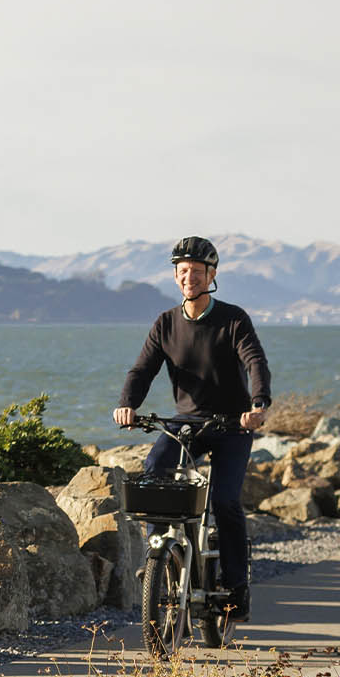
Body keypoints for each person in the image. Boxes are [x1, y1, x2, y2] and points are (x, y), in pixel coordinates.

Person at [113, 235, 272, 622]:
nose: (189, 278)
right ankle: (160, 551)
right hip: (189, 422)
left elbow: (254, 361)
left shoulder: (233, 319)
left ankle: (236, 587)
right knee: (155, 471)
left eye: (196, 272)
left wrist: (258, 404)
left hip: (233, 424)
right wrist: (127, 404)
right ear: (176, 276)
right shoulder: (166, 323)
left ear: (211, 275)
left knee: (225, 501)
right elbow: (143, 369)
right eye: (182, 271)